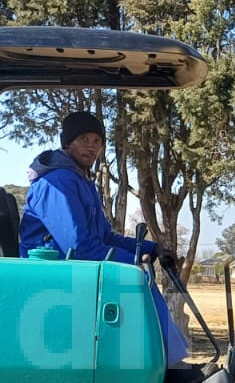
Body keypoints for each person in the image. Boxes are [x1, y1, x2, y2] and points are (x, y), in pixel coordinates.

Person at [21, 110, 190, 366]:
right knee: (135, 279)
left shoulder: (80, 180)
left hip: (70, 269)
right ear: (67, 142)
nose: (91, 146)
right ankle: (161, 364)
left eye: (97, 141)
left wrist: (151, 249)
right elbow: (79, 248)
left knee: (139, 276)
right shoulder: (57, 182)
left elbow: (104, 238)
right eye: (83, 139)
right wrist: (133, 262)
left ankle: (165, 362)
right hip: (54, 273)